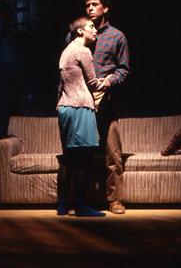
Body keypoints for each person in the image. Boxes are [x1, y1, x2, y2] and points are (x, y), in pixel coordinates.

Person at [84, 0, 130, 215]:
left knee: (112, 154)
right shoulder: (79, 34)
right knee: (85, 153)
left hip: (108, 103)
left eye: (94, 4)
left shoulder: (117, 37)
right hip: (82, 103)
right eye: (87, 5)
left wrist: (110, 81)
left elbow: (124, 69)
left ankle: (115, 200)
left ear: (106, 8)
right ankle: (85, 200)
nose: (90, 8)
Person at [56, 16, 106, 217]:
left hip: (65, 107)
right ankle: (81, 205)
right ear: (80, 31)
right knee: (84, 158)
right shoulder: (82, 50)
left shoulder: (66, 50)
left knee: (69, 158)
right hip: (80, 106)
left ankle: (63, 205)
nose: (95, 30)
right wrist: (108, 80)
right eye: (91, 27)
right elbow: (93, 82)